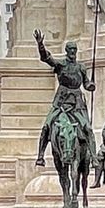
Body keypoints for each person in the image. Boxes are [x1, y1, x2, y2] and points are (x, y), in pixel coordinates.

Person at [33, 29, 95, 168]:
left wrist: (90, 85)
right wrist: (40, 45)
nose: (73, 52)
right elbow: (47, 58)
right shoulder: (61, 64)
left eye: (74, 49)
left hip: (77, 103)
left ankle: (94, 157)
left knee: (88, 129)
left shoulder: (81, 67)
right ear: (67, 51)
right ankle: (40, 156)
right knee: (46, 126)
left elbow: (86, 83)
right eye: (70, 49)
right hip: (61, 102)